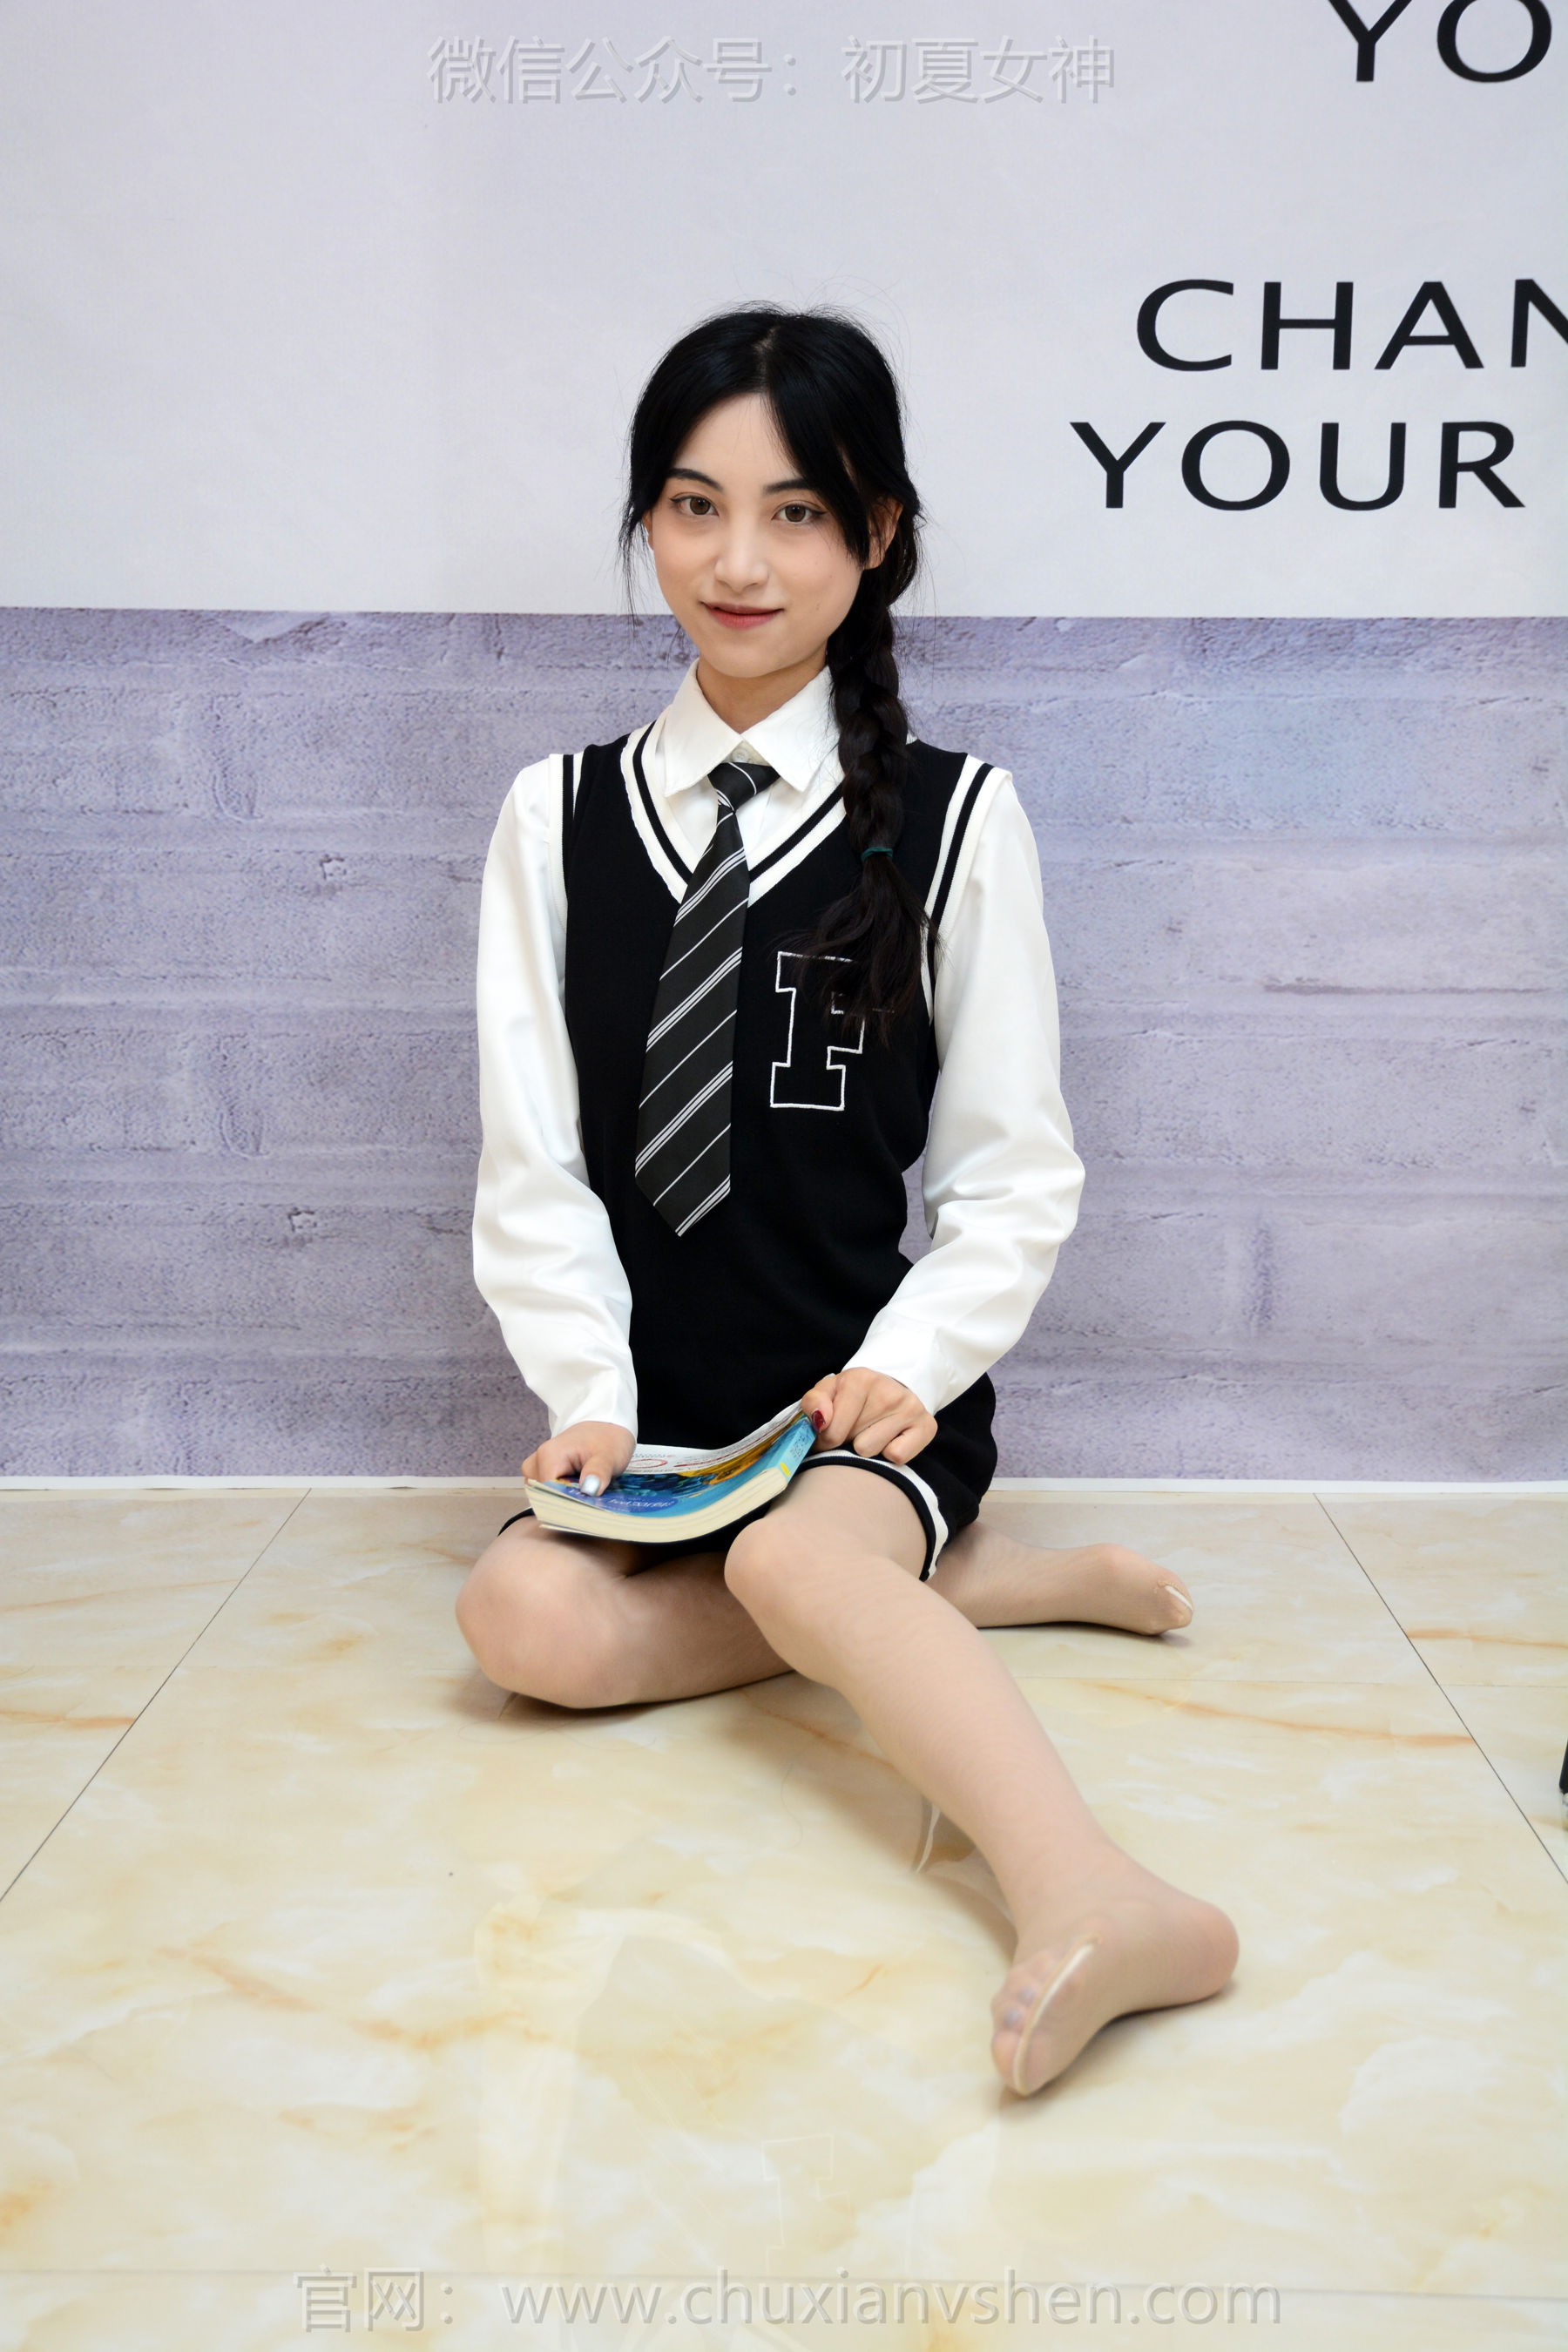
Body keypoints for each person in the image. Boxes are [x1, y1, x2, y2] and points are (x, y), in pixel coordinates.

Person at [456, 306, 1238, 2096]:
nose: (739, 562)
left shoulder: (956, 820)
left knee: (802, 1549)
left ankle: (1102, 1894)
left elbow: (1010, 1168)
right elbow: (532, 1159)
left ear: (877, 534)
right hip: (659, 1428)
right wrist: (589, 1392)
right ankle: (958, 1593)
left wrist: (907, 1371)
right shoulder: (552, 817)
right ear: (647, 522)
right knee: (520, 1625)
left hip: (861, 1404)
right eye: (694, 506)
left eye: (797, 512)